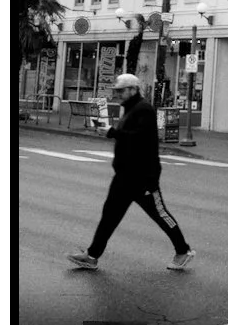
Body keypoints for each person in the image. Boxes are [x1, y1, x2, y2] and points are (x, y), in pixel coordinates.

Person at [68, 70, 194, 271]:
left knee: (160, 214)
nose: (117, 94)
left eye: (121, 90)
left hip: (142, 176)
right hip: (124, 176)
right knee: (109, 216)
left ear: (133, 89)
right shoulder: (130, 108)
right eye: (117, 90)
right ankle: (92, 255)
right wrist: (113, 133)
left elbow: (139, 139)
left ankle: (183, 250)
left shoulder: (144, 109)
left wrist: (113, 133)